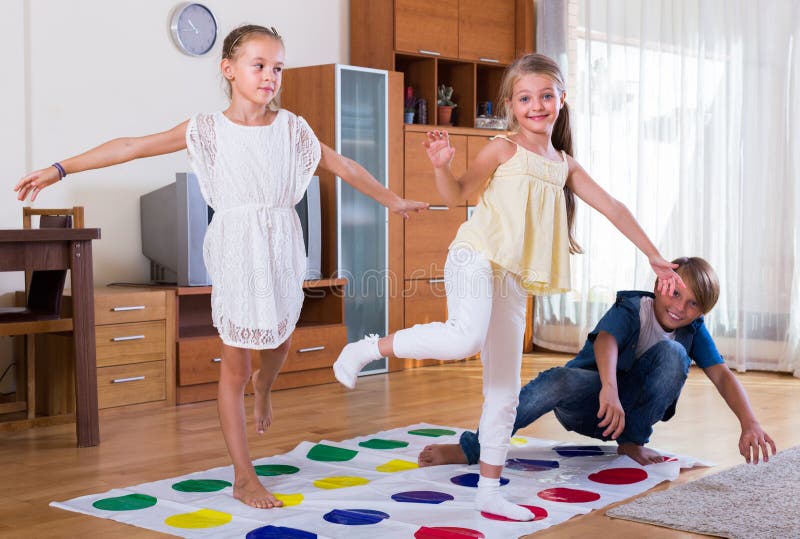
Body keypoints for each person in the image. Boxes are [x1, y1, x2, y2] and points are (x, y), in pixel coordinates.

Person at [13, 25, 427, 510]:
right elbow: (130, 146)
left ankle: (264, 389)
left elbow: (343, 167)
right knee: (235, 363)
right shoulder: (206, 130)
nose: (271, 76)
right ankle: (243, 474)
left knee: (281, 341)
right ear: (228, 69)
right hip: (235, 250)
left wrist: (392, 200)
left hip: (281, 247)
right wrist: (60, 169)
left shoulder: (294, 129)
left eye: (278, 68)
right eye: (259, 65)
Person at [333, 53, 685, 521]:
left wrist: (653, 254)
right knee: (465, 336)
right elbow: (458, 195)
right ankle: (367, 348)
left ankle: (489, 490)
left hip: (514, 278)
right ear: (510, 105)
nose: (536, 105)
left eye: (545, 95)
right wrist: (441, 165)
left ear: (562, 99)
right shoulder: (502, 148)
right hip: (475, 256)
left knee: (503, 390)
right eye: (525, 98)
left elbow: (614, 207)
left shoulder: (564, 165)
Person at [417, 256, 777, 469]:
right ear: (659, 281)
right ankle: (473, 448)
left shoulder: (693, 331)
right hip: (590, 402)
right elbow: (607, 340)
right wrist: (608, 388)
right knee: (558, 378)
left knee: (674, 355)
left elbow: (722, 375)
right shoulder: (634, 307)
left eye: (694, 303)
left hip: (628, 415)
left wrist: (750, 423)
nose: (681, 308)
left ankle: (632, 443)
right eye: (675, 293)